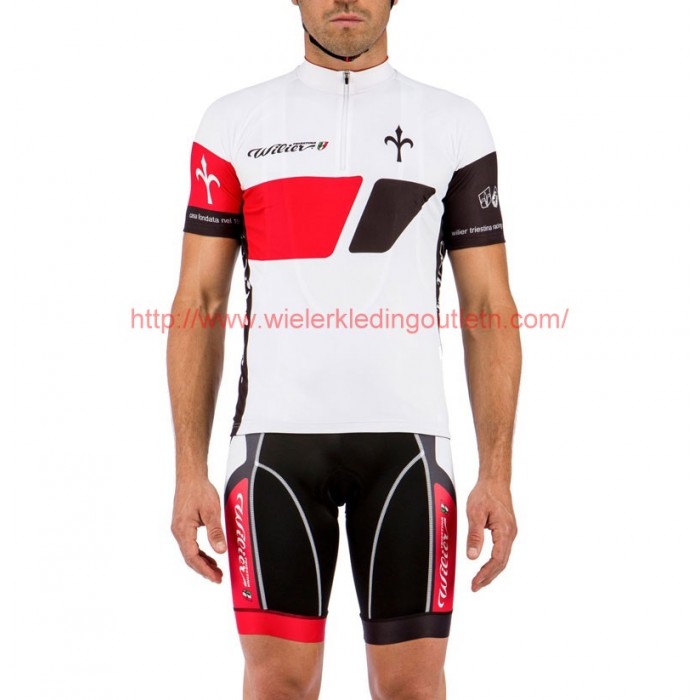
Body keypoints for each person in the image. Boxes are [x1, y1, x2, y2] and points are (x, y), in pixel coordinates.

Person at [167, 1, 521, 697]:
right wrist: (187, 472)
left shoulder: (454, 124)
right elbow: (199, 302)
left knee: (412, 688)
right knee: (278, 684)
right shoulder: (232, 123)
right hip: (272, 449)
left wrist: (497, 474)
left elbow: (488, 307)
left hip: (410, 449)